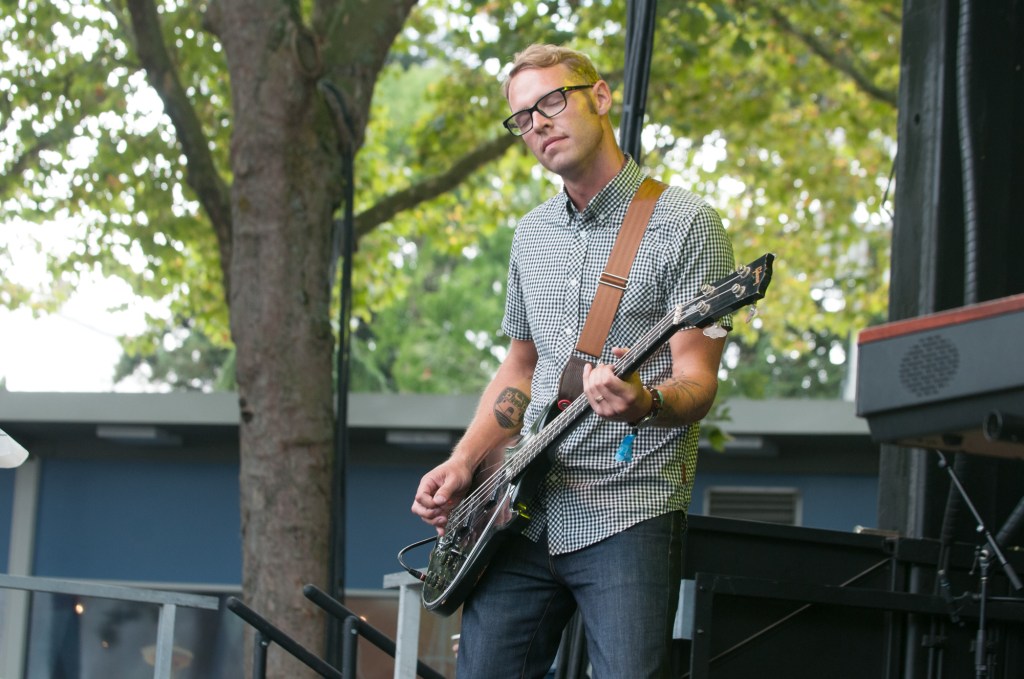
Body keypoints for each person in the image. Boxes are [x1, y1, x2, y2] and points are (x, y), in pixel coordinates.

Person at [411, 43, 735, 678]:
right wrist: (463, 459)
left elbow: (698, 381)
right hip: (521, 511)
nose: (540, 125)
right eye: (524, 118)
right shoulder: (530, 234)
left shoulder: (688, 223)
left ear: (601, 96)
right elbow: (520, 368)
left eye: (552, 102)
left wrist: (646, 402)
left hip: (629, 508)